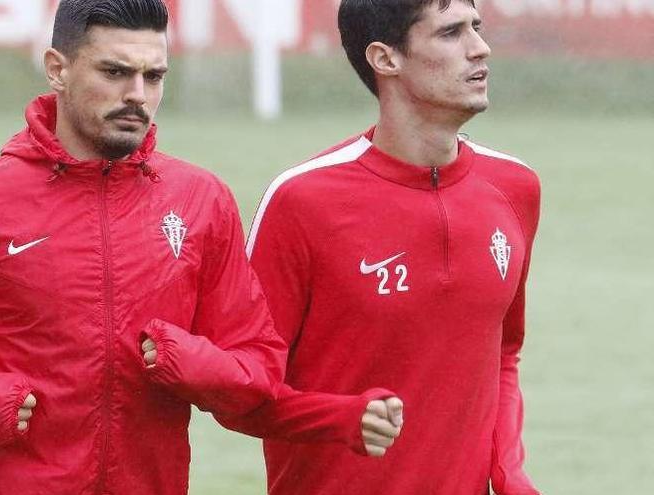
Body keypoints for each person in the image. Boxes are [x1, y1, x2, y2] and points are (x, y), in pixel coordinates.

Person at [0, 1, 289, 494]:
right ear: (58, 69)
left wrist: (194, 363)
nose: (137, 95)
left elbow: (258, 362)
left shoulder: (201, 200)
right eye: (115, 72)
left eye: (154, 76)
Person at [221, 1, 543, 494]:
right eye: (451, 33)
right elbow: (239, 393)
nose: (481, 48)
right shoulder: (302, 202)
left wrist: (509, 473)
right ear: (385, 58)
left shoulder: (516, 188)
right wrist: (340, 418)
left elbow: (503, 353)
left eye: (476, 27)